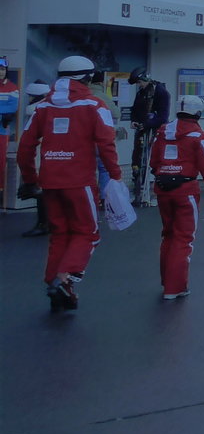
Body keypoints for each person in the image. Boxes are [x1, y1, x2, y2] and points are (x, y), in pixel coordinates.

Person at [16, 55, 122, 311]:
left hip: (49, 181)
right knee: (88, 233)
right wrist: (115, 177)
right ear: (88, 77)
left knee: (60, 234)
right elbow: (106, 144)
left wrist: (31, 180)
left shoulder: (42, 107)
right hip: (80, 182)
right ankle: (65, 278)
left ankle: (56, 281)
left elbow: (25, 148)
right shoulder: (96, 106)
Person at [149, 94, 204, 300]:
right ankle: (175, 288)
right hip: (186, 190)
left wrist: (163, 172)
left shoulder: (163, 132)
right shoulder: (199, 136)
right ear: (198, 113)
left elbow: (153, 161)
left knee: (169, 236)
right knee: (183, 239)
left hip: (163, 188)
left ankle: (167, 282)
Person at [128, 68, 170, 207]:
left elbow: (163, 116)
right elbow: (134, 109)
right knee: (137, 160)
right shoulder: (141, 93)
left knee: (155, 161)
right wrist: (134, 120)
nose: (139, 85)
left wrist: (147, 124)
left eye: (140, 82)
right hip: (142, 130)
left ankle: (155, 191)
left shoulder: (161, 92)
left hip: (155, 131)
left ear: (145, 79)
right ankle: (138, 192)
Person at [20, 81, 52, 237]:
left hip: (39, 154)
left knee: (41, 190)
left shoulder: (35, 111)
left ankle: (43, 223)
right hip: (54, 154)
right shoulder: (52, 108)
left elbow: (27, 143)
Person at [0, 56, 20, 203]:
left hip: (2, 130)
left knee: (0, 161)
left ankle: (0, 190)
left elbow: (13, 107)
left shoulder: (12, 87)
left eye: (2, 69)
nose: (1, 72)